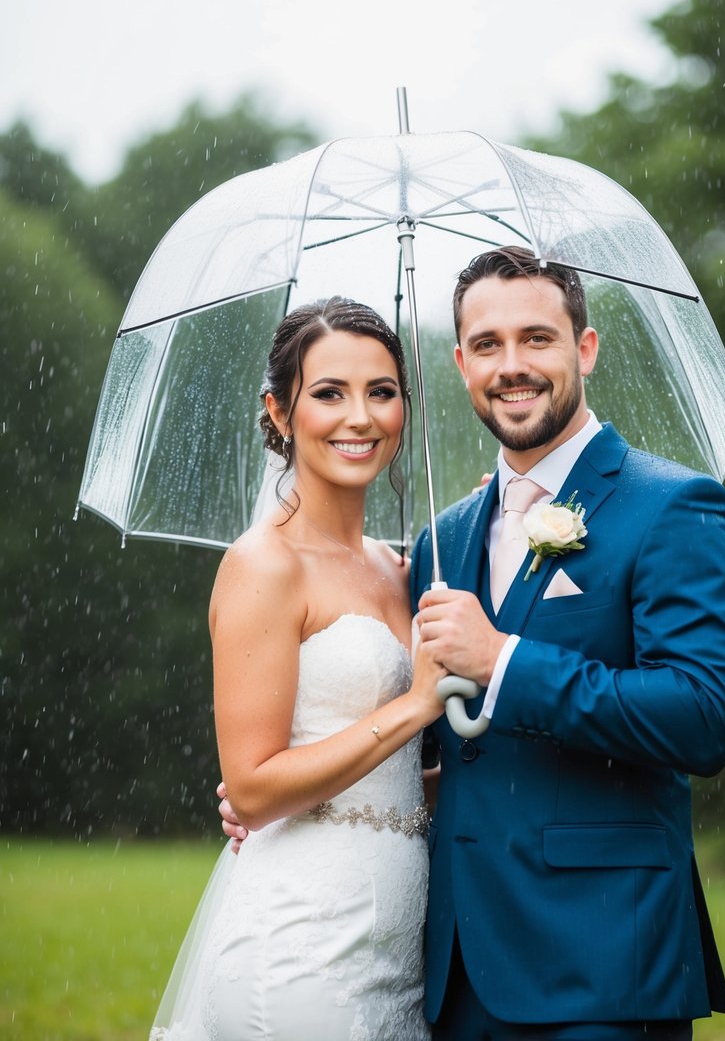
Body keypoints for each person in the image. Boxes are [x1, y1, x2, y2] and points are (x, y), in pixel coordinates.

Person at [408, 246, 725, 1040]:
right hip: (453, 972)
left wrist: (503, 661)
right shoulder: (440, 540)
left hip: (601, 962)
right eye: (487, 345)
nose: (511, 365)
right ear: (460, 363)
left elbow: (699, 718)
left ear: (584, 348)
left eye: (537, 338)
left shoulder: (673, 508)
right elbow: (433, 746)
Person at [150, 297, 445, 1041]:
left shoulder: (401, 568)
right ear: (278, 412)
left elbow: (395, 775)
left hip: (399, 944)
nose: (360, 417)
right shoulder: (264, 564)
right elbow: (250, 788)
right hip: (300, 944)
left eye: (381, 392)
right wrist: (411, 707)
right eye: (328, 393)